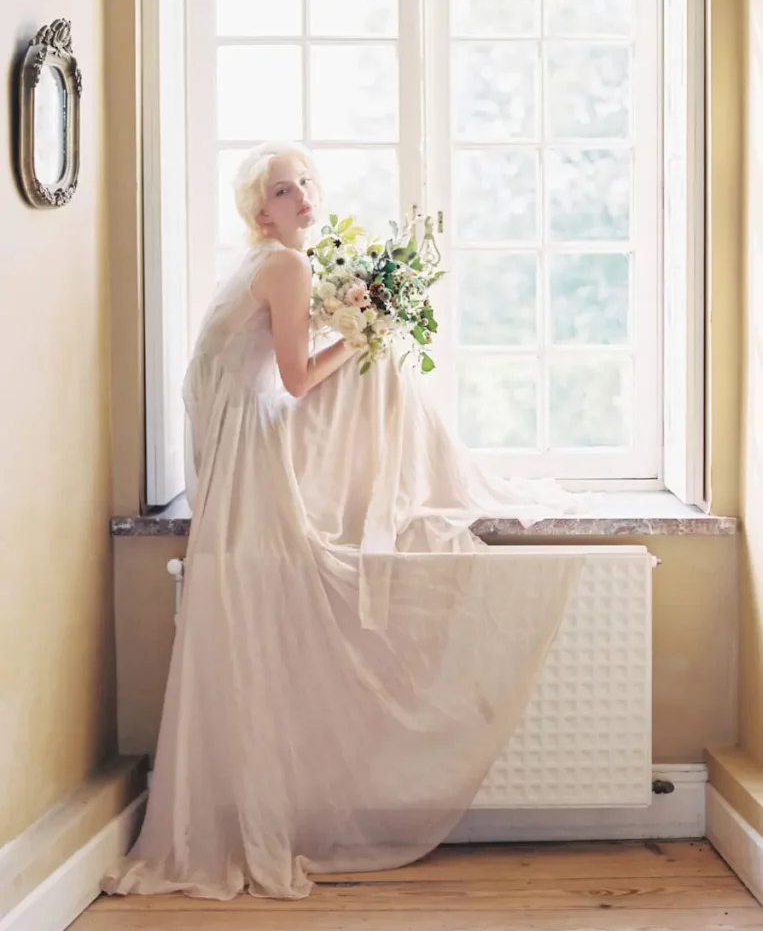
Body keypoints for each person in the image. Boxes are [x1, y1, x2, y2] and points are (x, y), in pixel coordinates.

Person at [100, 141, 586, 901]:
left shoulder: (260, 264)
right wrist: (357, 338)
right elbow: (295, 381)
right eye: (286, 191)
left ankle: (402, 488)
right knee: (377, 365)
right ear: (261, 210)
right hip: (249, 456)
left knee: (376, 366)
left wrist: (355, 334)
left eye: (306, 185)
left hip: (228, 452)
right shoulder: (284, 266)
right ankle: (413, 489)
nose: (305, 198)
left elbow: (251, 377)